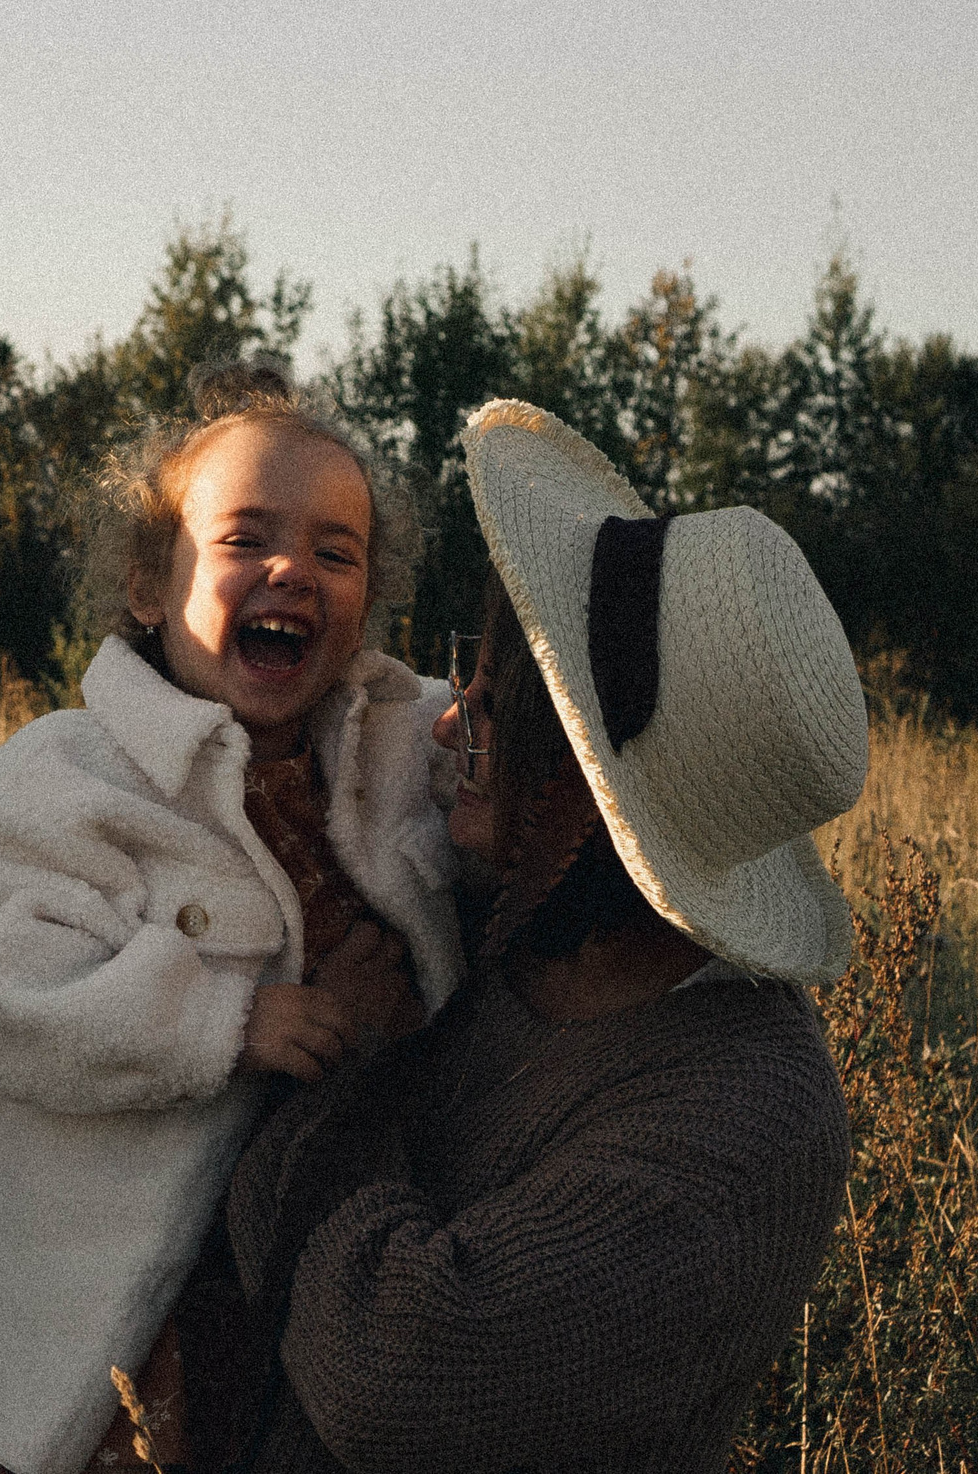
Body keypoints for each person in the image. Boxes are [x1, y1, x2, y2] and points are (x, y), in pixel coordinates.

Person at [212, 398, 866, 1472]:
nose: (447, 714)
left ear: (581, 782)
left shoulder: (745, 1122)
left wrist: (345, 1069)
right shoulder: (494, 915)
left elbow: (395, 1379)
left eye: (497, 691)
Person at [0, 370, 466, 1474]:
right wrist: (222, 1019)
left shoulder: (387, 754)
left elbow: (505, 753)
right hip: (76, 1302)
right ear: (149, 582)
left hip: (290, 1290)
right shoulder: (76, 774)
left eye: (337, 553)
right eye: (244, 539)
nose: (292, 570)